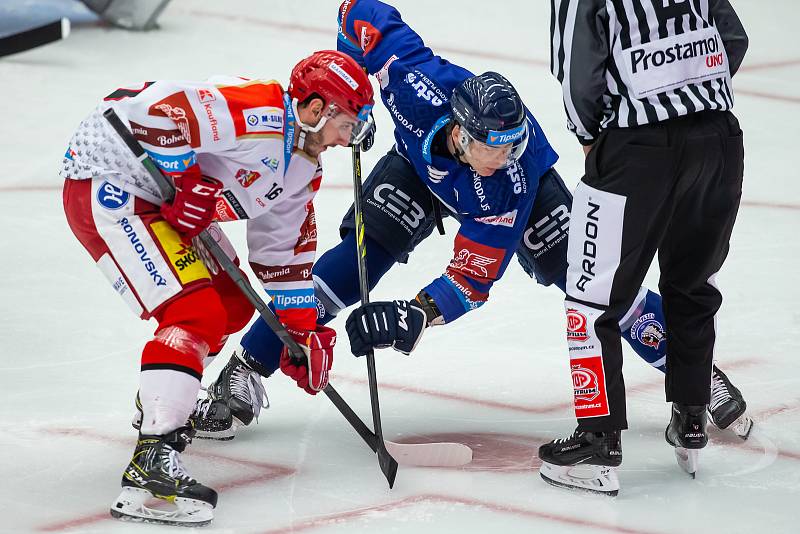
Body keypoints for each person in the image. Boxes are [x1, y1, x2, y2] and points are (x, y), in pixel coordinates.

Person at [194, 0, 750, 447]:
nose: (507, 153)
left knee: (591, 285)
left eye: (515, 143)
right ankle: (247, 369)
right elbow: (357, 12)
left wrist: (414, 315)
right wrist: (350, 89)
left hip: (527, 201)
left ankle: (691, 369)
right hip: (417, 169)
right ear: (461, 130)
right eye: (496, 144)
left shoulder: (512, 179)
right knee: (355, 262)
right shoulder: (414, 79)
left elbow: (471, 281)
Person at [61, 50, 374, 526]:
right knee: (196, 314)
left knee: (229, 306)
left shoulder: (302, 170)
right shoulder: (262, 112)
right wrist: (185, 181)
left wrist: (300, 333)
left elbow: (282, 256)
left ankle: (165, 397)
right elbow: (156, 109)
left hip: (163, 205)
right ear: (315, 109)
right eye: (346, 125)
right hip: (112, 182)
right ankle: (151, 458)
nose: (345, 139)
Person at [538, 0, 749, 495]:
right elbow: (733, 37)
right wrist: (694, 96)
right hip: (719, 141)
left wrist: (591, 135)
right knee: (693, 283)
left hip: (637, 148)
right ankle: (692, 417)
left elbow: (575, 67)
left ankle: (596, 442)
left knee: (591, 298)